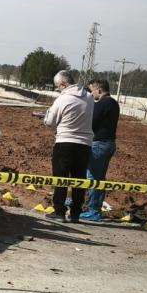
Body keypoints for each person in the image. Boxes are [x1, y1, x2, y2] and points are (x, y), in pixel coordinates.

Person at [41, 70, 94, 223]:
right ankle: (76, 213)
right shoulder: (89, 97)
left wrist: (47, 115)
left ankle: (59, 212)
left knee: (61, 178)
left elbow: (50, 122)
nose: (57, 89)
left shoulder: (62, 99)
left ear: (63, 84)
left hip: (65, 142)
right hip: (85, 145)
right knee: (79, 180)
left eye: (57, 86)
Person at [80, 78, 120, 222]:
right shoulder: (113, 103)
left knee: (93, 178)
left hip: (99, 144)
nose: (91, 94)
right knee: (99, 178)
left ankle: (93, 211)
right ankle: (94, 208)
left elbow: (91, 122)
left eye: (92, 90)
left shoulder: (102, 104)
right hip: (108, 143)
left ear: (99, 89)